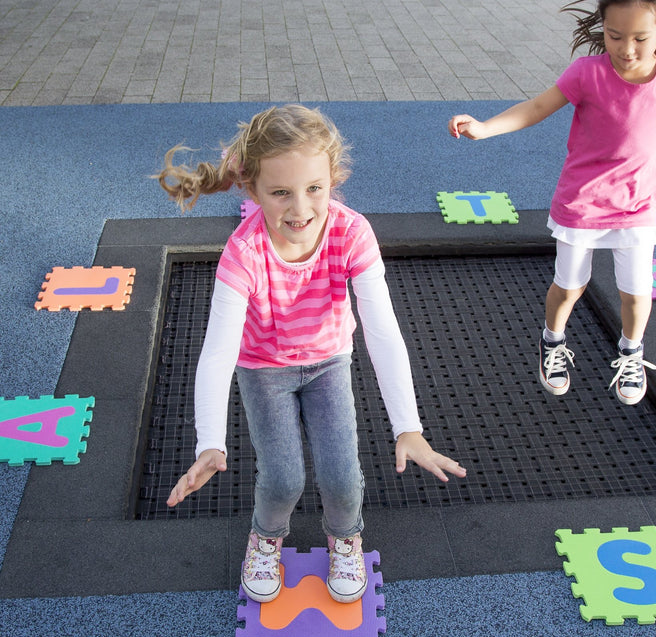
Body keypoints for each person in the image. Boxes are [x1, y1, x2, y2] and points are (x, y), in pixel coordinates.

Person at [155, 104, 466, 604]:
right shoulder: (244, 252)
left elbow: (382, 330)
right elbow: (217, 352)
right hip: (264, 369)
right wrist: (209, 441)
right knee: (282, 479)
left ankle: (345, 537)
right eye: (280, 193)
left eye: (314, 189)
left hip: (328, 364)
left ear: (333, 180)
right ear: (251, 190)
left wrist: (408, 426)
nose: (300, 209)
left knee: (344, 476)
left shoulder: (351, 233)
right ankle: (266, 537)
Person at [448, 0, 656, 405]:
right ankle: (552, 338)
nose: (626, 49)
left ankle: (631, 351)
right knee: (569, 287)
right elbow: (537, 107)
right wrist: (486, 128)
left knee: (637, 294)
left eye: (640, 38)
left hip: (638, 204)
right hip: (581, 203)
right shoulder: (588, 73)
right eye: (613, 36)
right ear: (603, 28)